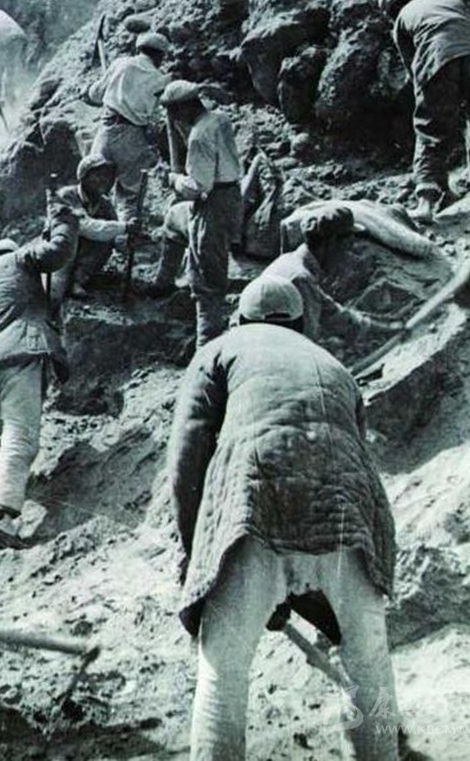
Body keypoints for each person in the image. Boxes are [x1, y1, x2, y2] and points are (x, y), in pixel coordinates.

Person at [169, 280, 399, 761]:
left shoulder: (220, 350)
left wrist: (198, 558)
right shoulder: (333, 366)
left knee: (223, 670)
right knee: (369, 664)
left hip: (255, 504)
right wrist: (300, 595)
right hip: (349, 515)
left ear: (240, 320)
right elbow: (350, 464)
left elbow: (187, 455)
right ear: (298, 323)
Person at [0, 204, 79, 548]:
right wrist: (64, 220)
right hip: (17, 356)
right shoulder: (17, 259)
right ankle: (0, 518)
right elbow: (58, 253)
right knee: (20, 436)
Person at [378, 0, 470, 220]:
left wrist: (428, 107)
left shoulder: (401, 21)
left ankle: (426, 202)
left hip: (438, 59)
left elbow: (415, 72)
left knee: (430, 131)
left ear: (392, 11)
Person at [149, 81, 242, 349]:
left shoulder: (199, 136)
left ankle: (207, 342)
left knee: (205, 276)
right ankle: (163, 281)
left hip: (213, 204)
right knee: (173, 219)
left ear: (186, 107)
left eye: (174, 112)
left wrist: (173, 179)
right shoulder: (219, 118)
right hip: (231, 195)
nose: (173, 118)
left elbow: (197, 188)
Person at [238, 203, 399, 347]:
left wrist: (384, 327)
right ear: (332, 242)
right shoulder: (300, 278)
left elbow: (333, 313)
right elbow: (306, 342)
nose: (348, 254)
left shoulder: (292, 261)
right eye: (346, 245)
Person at [88, 31, 170, 223]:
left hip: (107, 128)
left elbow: (95, 95)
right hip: (133, 135)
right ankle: (126, 233)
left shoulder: (121, 63)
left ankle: (90, 230)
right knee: (129, 195)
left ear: (139, 49)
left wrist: (96, 88)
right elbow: (155, 118)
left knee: (93, 187)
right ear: (159, 55)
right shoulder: (160, 79)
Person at [54, 154, 132, 300]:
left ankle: (78, 280)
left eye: (106, 176)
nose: (103, 180)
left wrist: (131, 240)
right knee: (54, 293)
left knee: (106, 241)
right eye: (97, 175)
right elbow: (86, 226)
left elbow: (116, 236)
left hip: (82, 254)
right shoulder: (67, 196)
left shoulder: (105, 204)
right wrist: (125, 227)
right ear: (83, 177)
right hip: (61, 252)